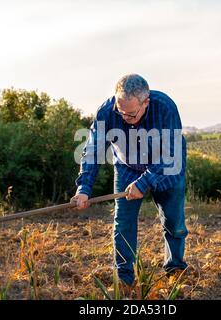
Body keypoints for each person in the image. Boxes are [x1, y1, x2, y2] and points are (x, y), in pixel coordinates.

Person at [71, 74, 188, 287]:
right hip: (127, 168)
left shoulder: (165, 107)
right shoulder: (106, 112)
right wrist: (84, 188)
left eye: (132, 114)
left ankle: (176, 268)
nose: (125, 117)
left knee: (174, 224)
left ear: (146, 102)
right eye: (121, 111)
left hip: (167, 169)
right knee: (123, 224)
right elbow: (93, 151)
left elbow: (171, 153)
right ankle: (124, 279)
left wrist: (144, 183)